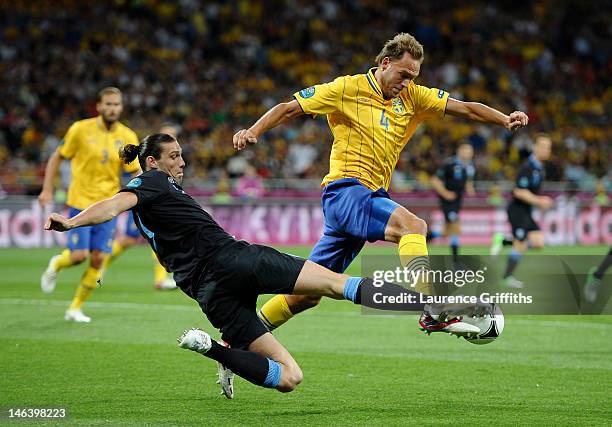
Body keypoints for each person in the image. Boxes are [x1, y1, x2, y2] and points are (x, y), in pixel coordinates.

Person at [44, 134, 486, 398]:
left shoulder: (158, 195)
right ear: (154, 160)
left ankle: (213, 349)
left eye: (181, 154)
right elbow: (114, 203)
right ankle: (429, 307)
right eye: (175, 155)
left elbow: (124, 207)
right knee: (335, 285)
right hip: (237, 260)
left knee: (289, 378)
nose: (182, 161)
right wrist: (72, 220)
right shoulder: (151, 182)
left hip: (208, 294)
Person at [233, 32, 528, 332]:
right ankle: (432, 306)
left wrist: (504, 119)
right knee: (414, 227)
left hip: (367, 197)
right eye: (403, 74)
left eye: (413, 77)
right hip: (345, 191)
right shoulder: (347, 88)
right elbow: (289, 107)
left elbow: (464, 107)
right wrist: (254, 130)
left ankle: (242, 336)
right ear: (385, 63)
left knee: (305, 296)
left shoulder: (412, 96)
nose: (407, 83)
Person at [38, 87, 141, 322]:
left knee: (98, 259)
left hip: (107, 206)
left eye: (116, 104)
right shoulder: (80, 129)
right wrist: (47, 188)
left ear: (121, 107)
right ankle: (57, 263)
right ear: (99, 106)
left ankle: (75, 308)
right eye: (108, 104)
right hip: (80, 201)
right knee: (78, 257)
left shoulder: (128, 136)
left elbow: (135, 170)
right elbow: (57, 156)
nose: (112, 108)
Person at [102, 122, 180, 290]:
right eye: (168, 135)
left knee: (155, 236)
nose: (172, 138)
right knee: (129, 240)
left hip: (157, 202)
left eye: (173, 135)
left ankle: (161, 279)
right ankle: (100, 266)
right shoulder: (153, 156)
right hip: (146, 202)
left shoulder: (172, 155)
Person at [490, 134, 553, 288]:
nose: (546, 150)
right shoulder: (528, 167)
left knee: (538, 242)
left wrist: (537, 201)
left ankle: (504, 240)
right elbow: (519, 192)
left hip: (526, 211)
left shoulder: (539, 168)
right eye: (543, 146)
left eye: (548, 147)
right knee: (520, 243)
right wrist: (540, 201)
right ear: (535, 147)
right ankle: (507, 277)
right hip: (517, 210)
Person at [428, 142, 476, 266]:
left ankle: (427, 236)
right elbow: (434, 180)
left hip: (458, 202)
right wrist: (446, 193)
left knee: (448, 231)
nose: (468, 153)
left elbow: (468, 181)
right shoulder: (449, 164)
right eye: (465, 150)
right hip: (448, 202)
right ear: (459, 151)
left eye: (470, 151)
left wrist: (470, 189)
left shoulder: (470, 166)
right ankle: (456, 263)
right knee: (455, 228)